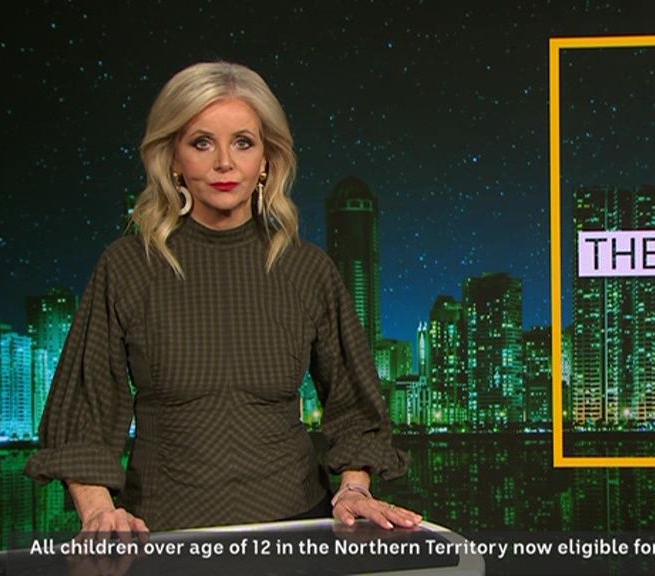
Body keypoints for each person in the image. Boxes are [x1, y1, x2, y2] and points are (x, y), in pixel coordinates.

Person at [25, 61, 421, 538]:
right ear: (173, 158)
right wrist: (98, 513)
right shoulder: (127, 266)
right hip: (163, 534)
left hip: (295, 529)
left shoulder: (308, 268)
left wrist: (354, 489)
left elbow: (355, 405)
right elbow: (85, 412)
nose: (224, 163)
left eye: (243, 142)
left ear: (266, 159)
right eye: (201, 143)